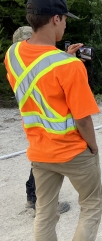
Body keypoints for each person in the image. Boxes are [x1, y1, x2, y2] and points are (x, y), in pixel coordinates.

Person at [4, 0, 102, 241]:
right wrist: (93, 146)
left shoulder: (12, 55)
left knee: (45, 212)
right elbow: (82, 118)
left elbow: (39, 71)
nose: (65, 26)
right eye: (64, 20)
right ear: (55, 19)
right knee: (92, 204)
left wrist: (64, 57)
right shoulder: (69, 66)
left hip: (39, 151)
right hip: (73, 150)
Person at [13, 26, 78, 217]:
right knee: (45, 159)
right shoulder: (27, 62)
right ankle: (37, 201)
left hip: (36, 118)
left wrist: (66, 57)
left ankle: (34, 198)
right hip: (44, 119)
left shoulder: (19, 63)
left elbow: (44, 70)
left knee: (41, 158)